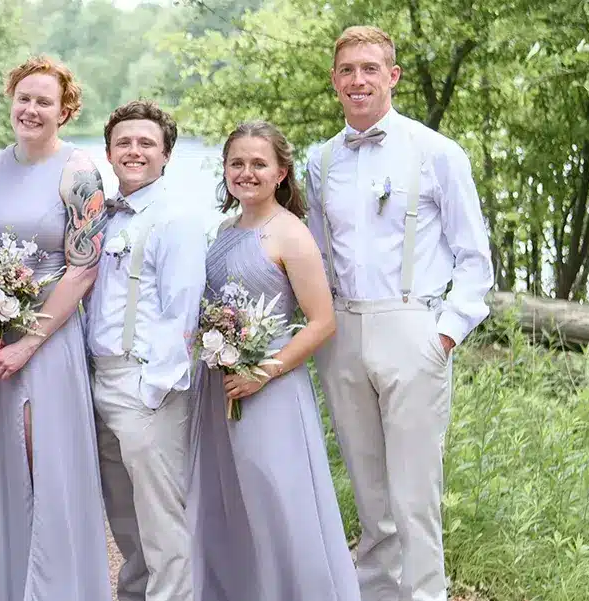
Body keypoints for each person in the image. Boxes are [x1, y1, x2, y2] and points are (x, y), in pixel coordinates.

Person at [306, 25, 493, 601]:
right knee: (369, 491)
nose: (357, 80)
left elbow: (474, 258)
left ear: (393, 76)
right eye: (347, 70)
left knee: (415, 493)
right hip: (343, 331)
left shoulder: (436, 152)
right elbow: (318, 257)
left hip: (414, 326)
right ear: (334, 80)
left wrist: (445, 334)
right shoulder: (321, 160)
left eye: (370, 69)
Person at [0, 56, 113, 601]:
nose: (31, 109)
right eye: (23, 98)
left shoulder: (79, 172)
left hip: (48, 338)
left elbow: (84, 269)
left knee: (41, 461)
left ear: (64, 111)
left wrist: (28, 343)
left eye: (44, 101)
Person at [190, 121, 359, 601]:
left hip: (270, 389)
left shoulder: (291, 234)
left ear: (281, 172)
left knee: (276, 500)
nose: (246, 172)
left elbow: (322, 322)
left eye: (259, 164)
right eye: (237, 163)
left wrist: (261, 373)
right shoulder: (225, 229)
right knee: (229, 499)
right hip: (221, 385)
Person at [85, 99, 209, 601]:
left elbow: (183, 312)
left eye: (146, 143)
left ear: (166, 155)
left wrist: (154, 388)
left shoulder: (176, 218)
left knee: (162, 520)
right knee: (123, 513)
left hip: (145, 385)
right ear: (109, 152)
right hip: (101, 378)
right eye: (123, 143)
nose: (133, 151)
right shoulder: (102, 217)